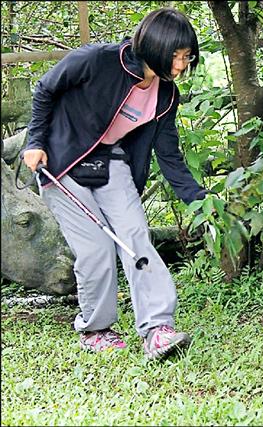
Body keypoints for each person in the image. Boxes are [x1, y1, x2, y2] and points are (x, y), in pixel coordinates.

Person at [22, 7, 206, 360]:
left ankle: (156, 329)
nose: (181, 66)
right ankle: (95, 329)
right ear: (154, 46)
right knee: (96, 249)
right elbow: (46, 89)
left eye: (187, 57)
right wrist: (35, 143)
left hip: (111, 162)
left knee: (136, 237)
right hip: (62, 163)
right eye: (176, 56)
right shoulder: (98, 60)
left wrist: (199, 200)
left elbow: (169, 155)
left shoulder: (165, 95)